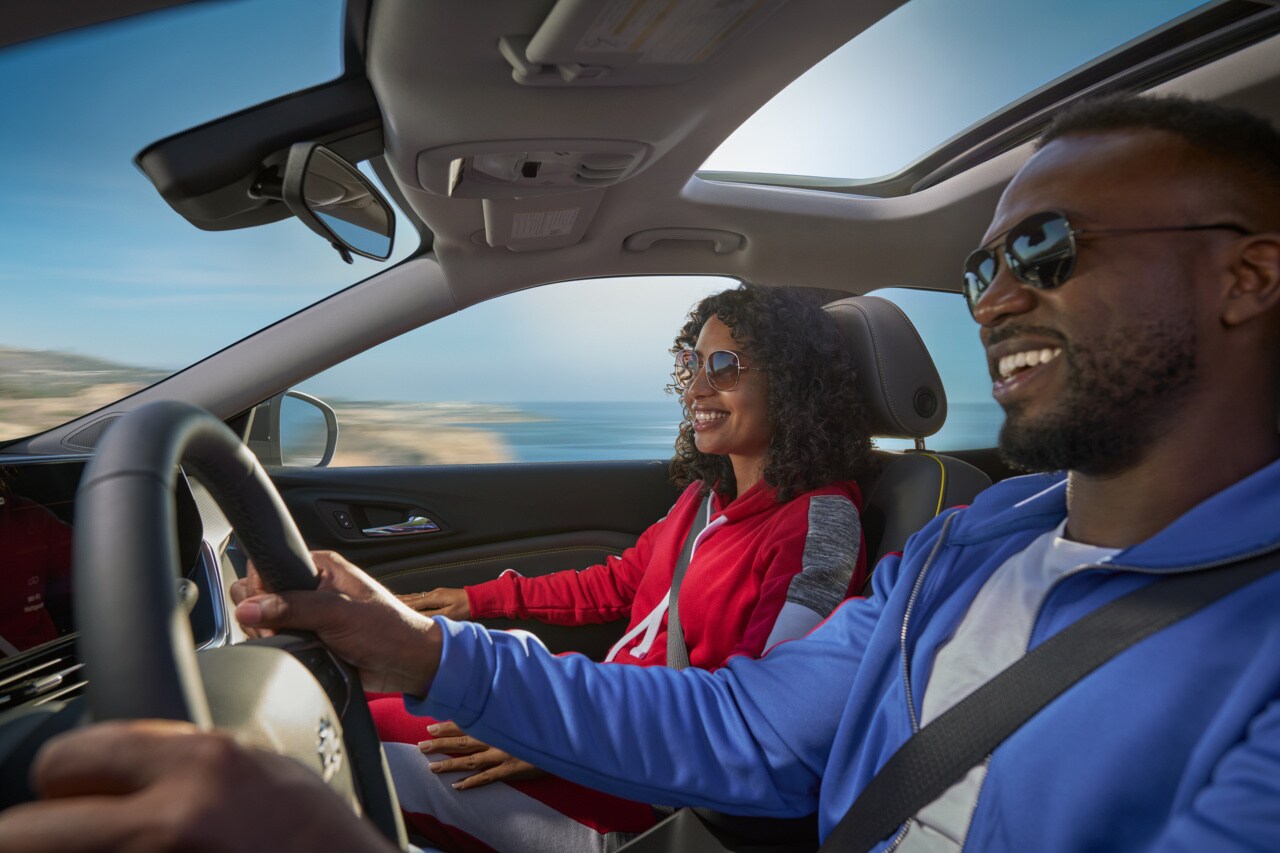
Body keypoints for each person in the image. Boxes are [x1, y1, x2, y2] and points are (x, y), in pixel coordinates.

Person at [3, 92, 1280, 853]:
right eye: (980, 267)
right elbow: (739, 720)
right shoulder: (960, 550)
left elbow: (720, 712)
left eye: (1044, 248)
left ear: (1246, 275)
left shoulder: (840, 530)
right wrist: (426, 640)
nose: (994, 297)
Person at [372, 284, 872, 851]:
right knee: (362, 698)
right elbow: (618, 582)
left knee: (358, 732)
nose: (696, 389)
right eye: (693, 364)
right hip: (601, 732)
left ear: (791, 383)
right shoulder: (705, 500)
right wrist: (477, 601)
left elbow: (763, 720)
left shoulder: (817, 525)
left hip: (656, 796)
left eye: (725, 367)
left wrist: (555, 736)